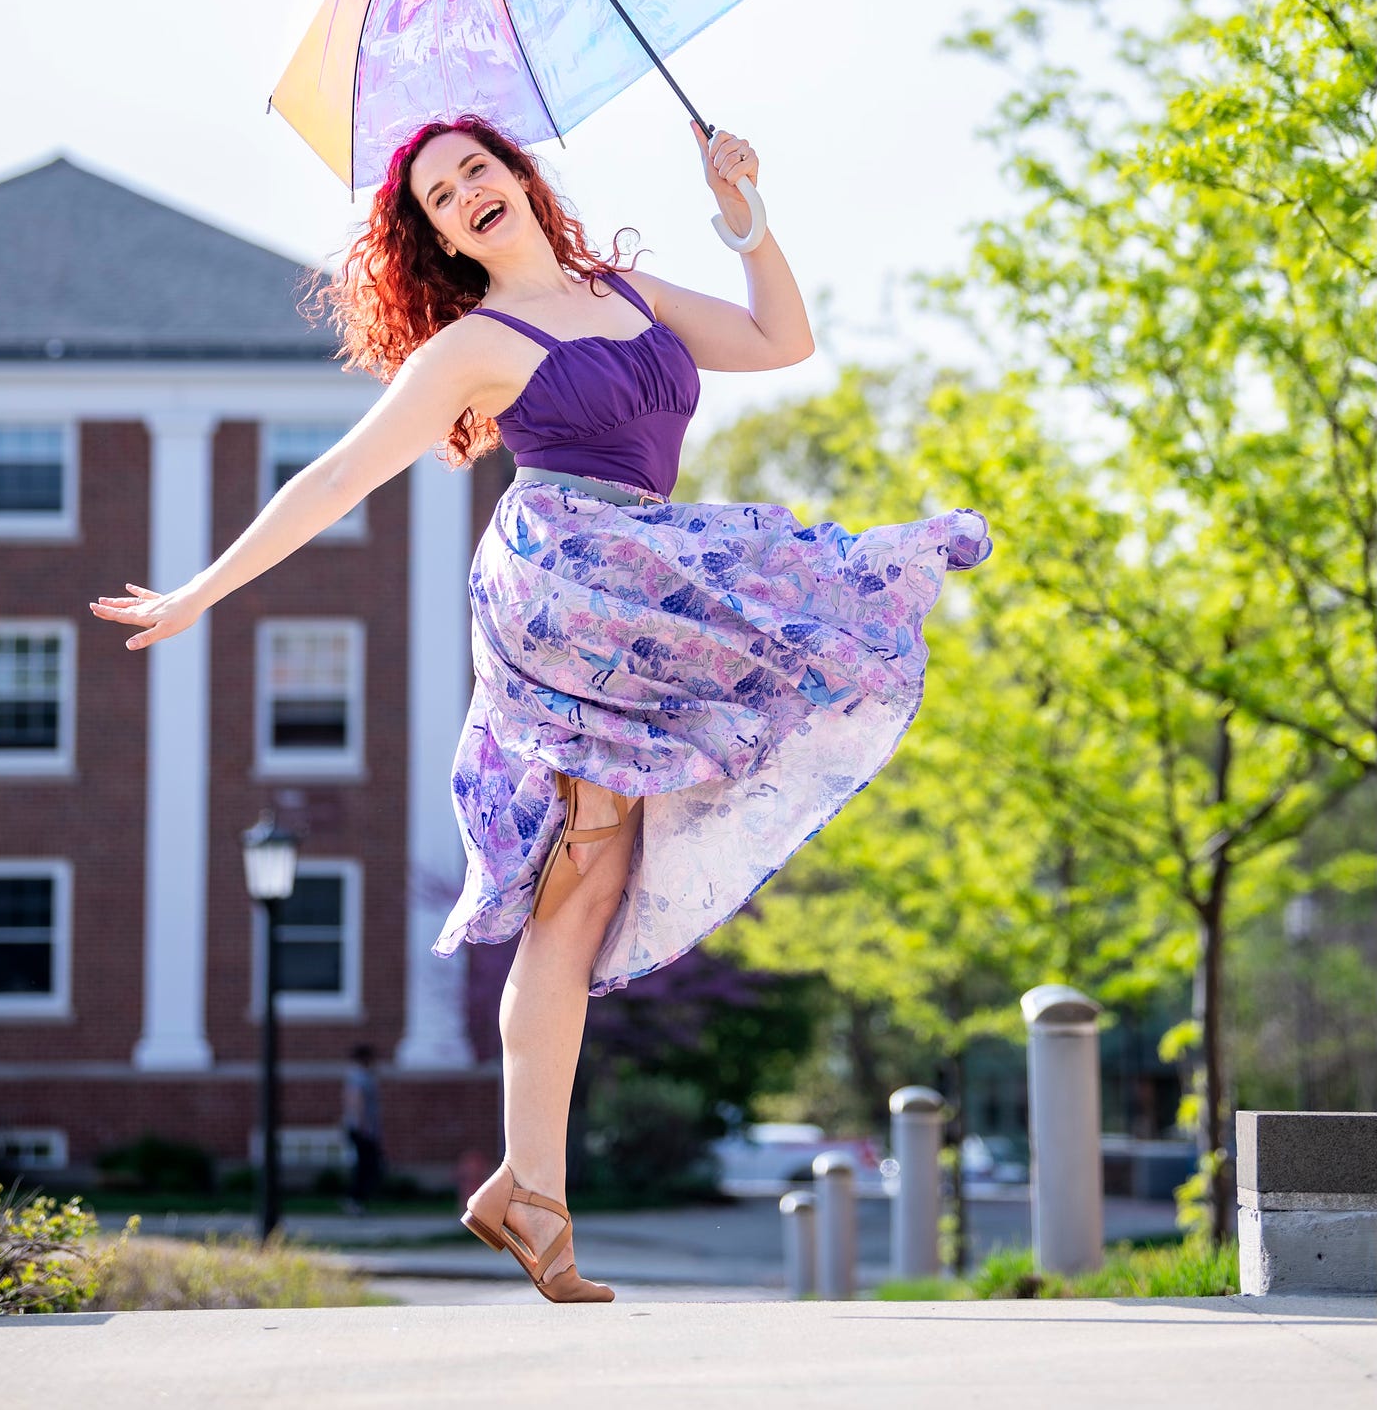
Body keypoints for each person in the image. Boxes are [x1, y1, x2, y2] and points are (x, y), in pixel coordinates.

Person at [92, 117, 990, 1303]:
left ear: (520, 177)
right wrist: (205, 589)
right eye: (438, 195)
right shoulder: (471, 346)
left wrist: (742, 211)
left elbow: (782, 339)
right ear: (434, 236)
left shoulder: (620, 287)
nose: (467, 194)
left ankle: (522, 1184)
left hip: (651, 566)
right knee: (582, 879)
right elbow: (337, 475)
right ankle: (533, 1188)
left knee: (597, 880)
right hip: (569, 588)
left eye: (477, 170)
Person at [341, 1042, 383, 1214]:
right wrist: (363, 1125)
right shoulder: (359, 1077)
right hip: (362, 1129)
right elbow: (355, 1100)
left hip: (363, 1128)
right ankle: (354, 1200)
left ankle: (357, 1199)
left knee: (367, 1165)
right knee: (364, 1166)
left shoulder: (361, 1076)